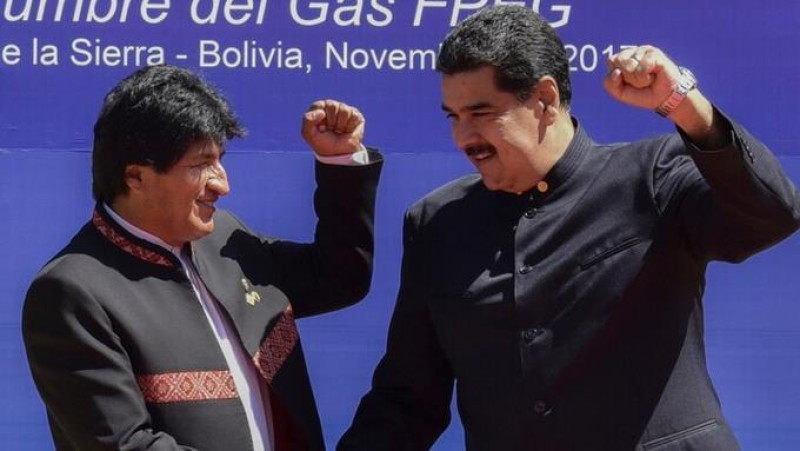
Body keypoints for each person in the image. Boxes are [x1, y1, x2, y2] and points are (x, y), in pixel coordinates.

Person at [338, 5, 799, 450]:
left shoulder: (652, 176)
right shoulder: (437, 222)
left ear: (544, 99)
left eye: (480, 114)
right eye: (453, 117)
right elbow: (408, 398)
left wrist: (685, 105)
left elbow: (771, 215)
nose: (463, 137)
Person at [22, 65, 382, 450]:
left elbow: (339, 279)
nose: (222, 184)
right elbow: (127, 445)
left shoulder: (226, 238)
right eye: (199, 165)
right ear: (136, 176)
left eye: (220, 159)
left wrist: (340, 163)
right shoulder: (72, 292)